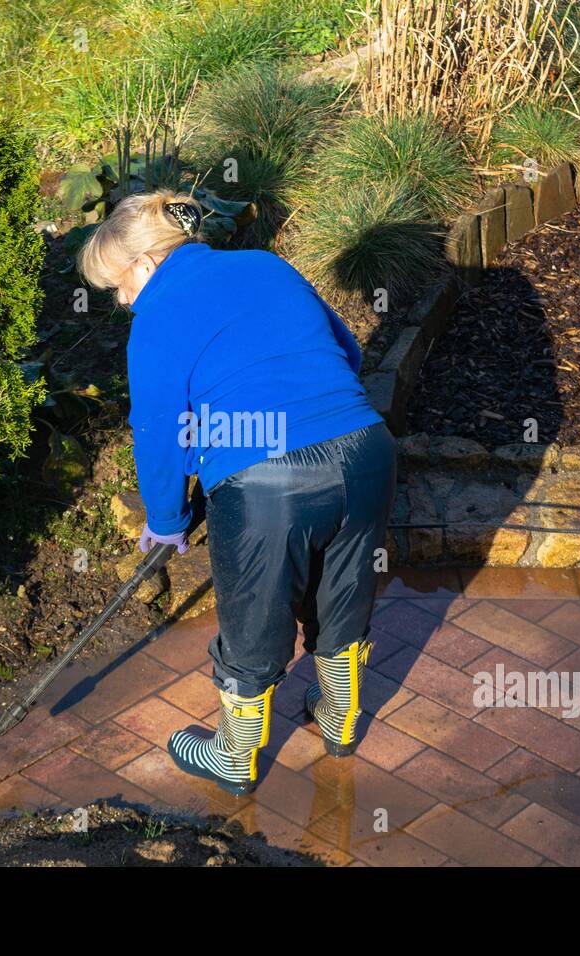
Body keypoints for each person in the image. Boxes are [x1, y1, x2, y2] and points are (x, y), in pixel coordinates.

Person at [77, 188, 397, 795]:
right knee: (343, 590)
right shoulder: (265, 264)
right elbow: (348, 352)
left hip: (268, 486)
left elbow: (158, 433)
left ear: (145, 265)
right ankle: (340, 717)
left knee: (255, 616)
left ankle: (234, 755)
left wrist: (168, 518)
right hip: (366, 449)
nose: (120, 301)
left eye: (117, 285)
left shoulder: (154, 321)